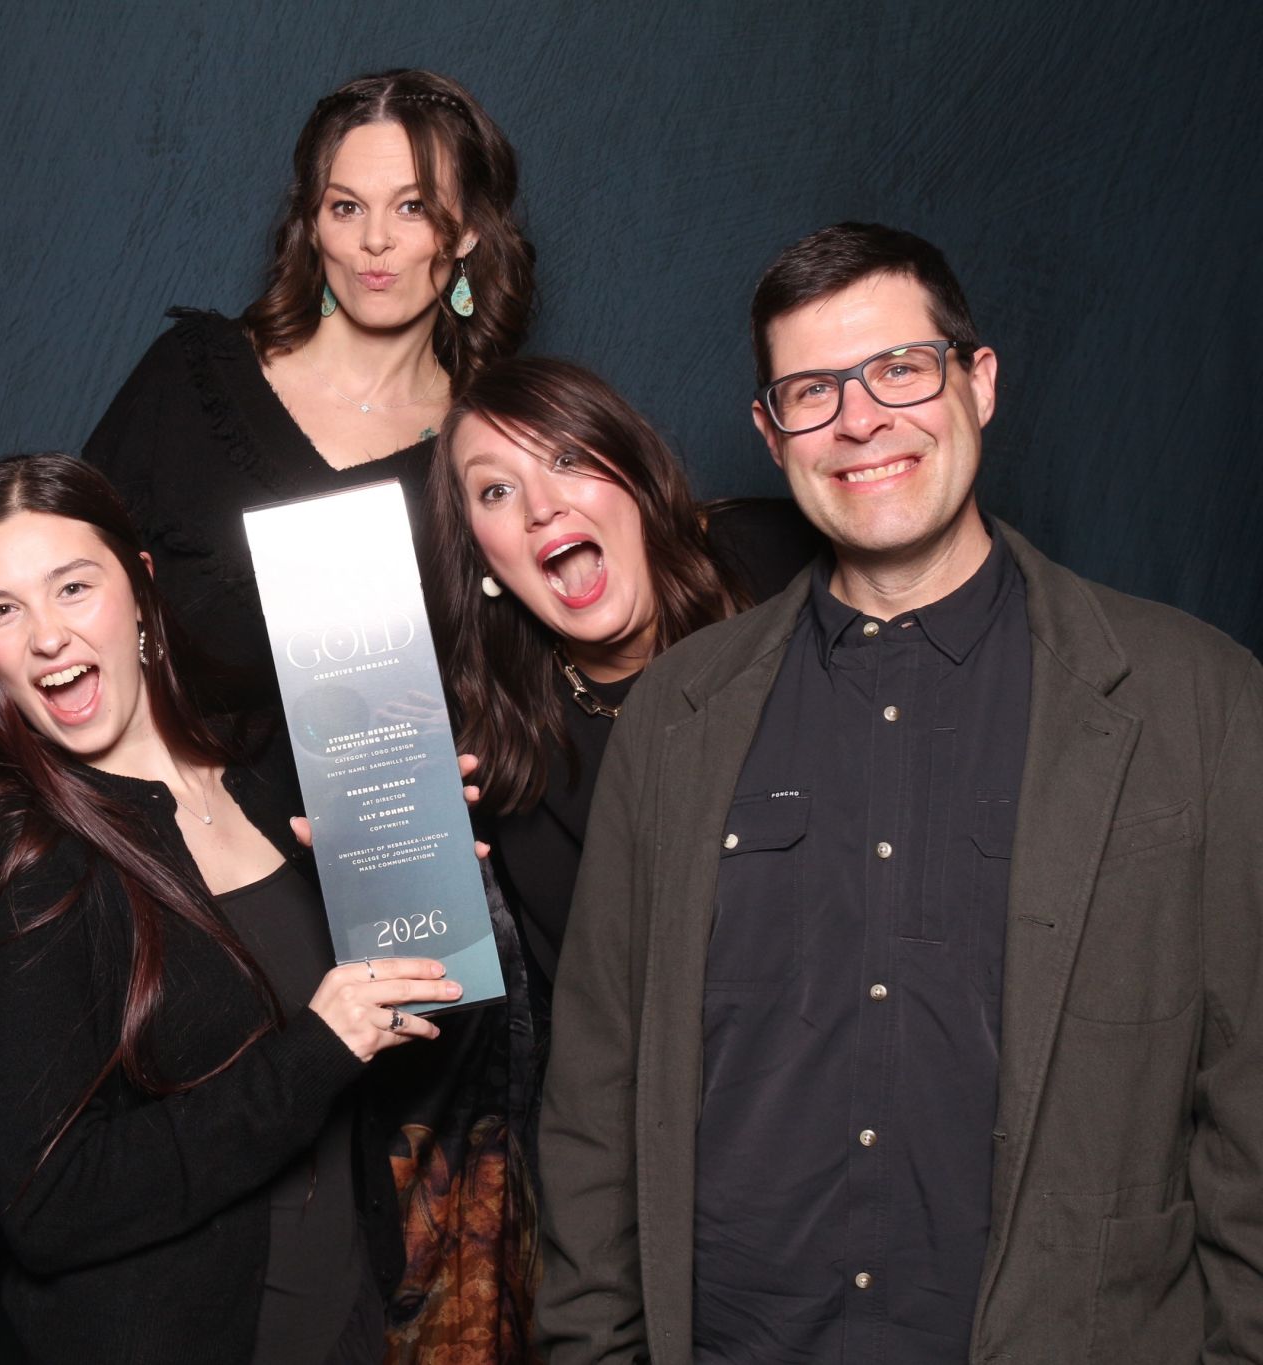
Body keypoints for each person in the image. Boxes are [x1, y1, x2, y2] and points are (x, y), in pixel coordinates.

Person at [535, 222, 1263, 1362]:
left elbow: (1250, 1112)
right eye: (811, 391)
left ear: (976, 382)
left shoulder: (1196, 701)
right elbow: (592, 1110)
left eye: (896, 369)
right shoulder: (676, 720)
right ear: (769, 436)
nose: (860, 419)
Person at [0, 455, 459, 1363]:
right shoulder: (24, 849)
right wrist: (313, 1052)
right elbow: (49, 1202)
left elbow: (412, 1037)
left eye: (73, 586)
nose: (48, 635)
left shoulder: (264, 777)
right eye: (2, 610)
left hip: (344, 1321)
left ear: (139, 588)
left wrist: (433, 881)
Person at [369, 357, 815, 1361]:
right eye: (493, 490)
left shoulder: (782, 566)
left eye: (568, 458)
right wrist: (384, 857)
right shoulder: (490, 750)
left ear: (636, 471)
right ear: (477, 550)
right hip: (680, 1205)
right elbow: (523, 1049)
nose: (537, 508)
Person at [85, 68, 534, 717]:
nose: (373, 240)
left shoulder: (490, 452)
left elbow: (503, 694)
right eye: (345, 206)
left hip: (371, 813)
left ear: (467, 232)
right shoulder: (191, 376)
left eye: (413, 207)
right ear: (313, 225)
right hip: (148, 798)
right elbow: (61, 582)